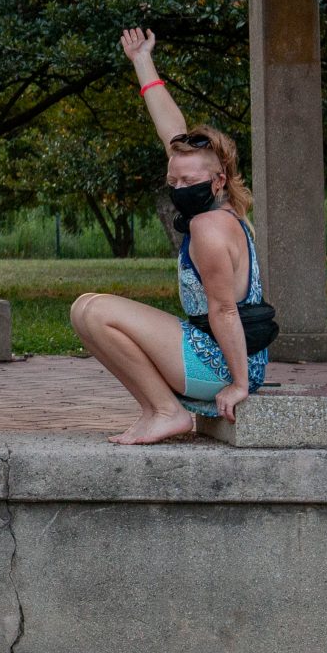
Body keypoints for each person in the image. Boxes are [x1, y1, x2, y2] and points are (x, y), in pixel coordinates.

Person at [69, 28, 267, 446]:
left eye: (188, 180)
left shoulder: (209, 227)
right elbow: (172, 132)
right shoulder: (218, 202)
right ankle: (156, 409)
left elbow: (226, 312)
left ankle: (166, 411)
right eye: (171, 179)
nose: (178, 186)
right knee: (84, 308)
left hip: (222, 362)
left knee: (96, 312)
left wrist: (239, 384)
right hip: (215, 350)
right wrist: (142, 60)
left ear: (218, 179)